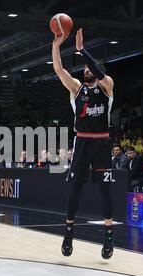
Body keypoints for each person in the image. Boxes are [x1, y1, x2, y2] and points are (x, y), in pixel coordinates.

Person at [52, 28, 115, 259]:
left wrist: (82, 50)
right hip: (82, 143)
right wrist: (57, 45)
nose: (87, 70)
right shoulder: (76, 89)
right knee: (75, 189)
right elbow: (58, 70)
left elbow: (99, 73)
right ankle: (68, 232)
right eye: (85, 68)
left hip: (101, 143)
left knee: (105, 190)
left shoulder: (107, 86)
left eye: (91, 68)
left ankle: (108, 235)